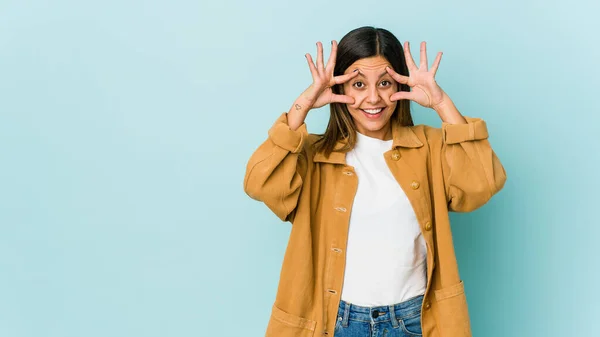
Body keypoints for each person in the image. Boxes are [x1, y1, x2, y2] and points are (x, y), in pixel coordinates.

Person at [243, 26, 506, 337]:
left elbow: (482, 183)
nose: (373, 97)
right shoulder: (315, 156)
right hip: (336, 321)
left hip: (414, 320)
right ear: (340, 89)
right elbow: (259, 183)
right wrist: (301, 107)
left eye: (384, 83)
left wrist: (442, 104)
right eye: (357, 83)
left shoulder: (429, 147)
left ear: (400, 84)